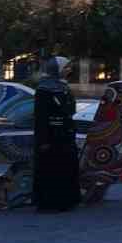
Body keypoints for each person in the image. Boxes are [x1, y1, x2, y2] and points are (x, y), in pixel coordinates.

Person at [32, 57, 81, 212]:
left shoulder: (63, 86)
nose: (69, 70)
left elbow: (69, 110)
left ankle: (66, 201)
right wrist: (43, 140)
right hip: (52, 135)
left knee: (65, 167)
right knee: (51, 168)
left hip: (64, 134)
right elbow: (41, 117)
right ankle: (50, 203)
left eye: (68, 67)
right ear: (56, 69)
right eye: (65, 67)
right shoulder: (44, 89)